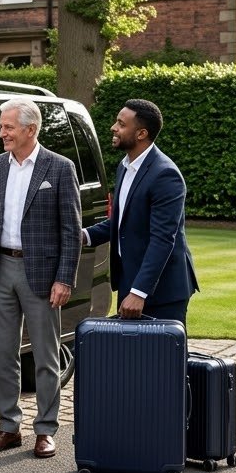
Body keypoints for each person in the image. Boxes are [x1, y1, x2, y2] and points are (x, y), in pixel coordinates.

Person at [0, 98, 82, 460]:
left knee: (46, 357)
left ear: (30, 130)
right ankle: (9, 427)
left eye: (8, 127)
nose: (1, 133)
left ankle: (46, 430)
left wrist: (64, 278)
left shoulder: (60, 168)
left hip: (42, 274)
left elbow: (71, 230)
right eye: (2, 126)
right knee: (3, 355)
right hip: (0, 268)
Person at [83, 98, 199, 325]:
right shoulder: (125, 166)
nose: (113, 128)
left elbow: (162, 239)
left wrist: (139, 292)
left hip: (161, 290)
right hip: (131, 281)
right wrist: (84, 236)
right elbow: (123, 222)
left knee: (163, 359)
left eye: (121, 124)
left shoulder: (165, 175)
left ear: (141, 134)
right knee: (133, 358)